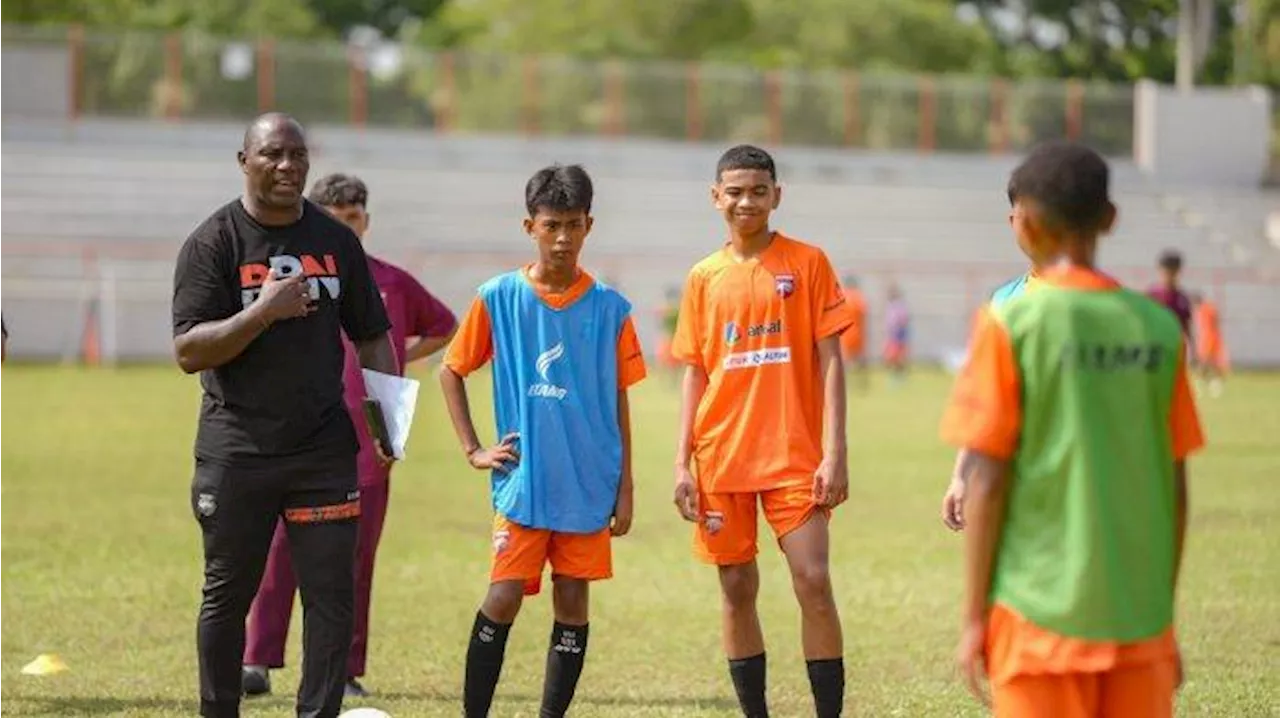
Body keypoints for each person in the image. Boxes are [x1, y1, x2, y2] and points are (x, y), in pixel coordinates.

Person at [941, 140, 1204, 718]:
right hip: (1139, 621)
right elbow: (1177, 487)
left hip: (1035, 621)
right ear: (1110, 219)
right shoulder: (1159, 329)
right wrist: (1163, 612)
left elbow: (985, 480)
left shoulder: (1009, 324)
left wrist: (972, 619)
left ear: (1025, 222)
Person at [171, 112, 399, 718]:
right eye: (272, 154)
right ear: (244, 160)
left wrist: (386, 417)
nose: (287, 166)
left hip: (322, 449)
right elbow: (189, 350)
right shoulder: (213, 242)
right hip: (237, 448)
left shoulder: (335, 242)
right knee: (227, 594)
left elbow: (374, 335)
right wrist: (262, 311)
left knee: (330, 597)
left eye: (297, 155)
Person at [438, 164, 647, 718]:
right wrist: (474, 449)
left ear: (589, 225)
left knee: (573, 599)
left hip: (589, 483)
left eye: (572, 225)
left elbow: (620, 399)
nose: (561, 238)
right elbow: (450, 370)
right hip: (525, 482)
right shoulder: (498, 297)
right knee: (503, 595)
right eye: (551, 224)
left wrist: (625, 486)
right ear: (529, 225)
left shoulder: (611, 310)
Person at [242, 173, 459, 699]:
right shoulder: (290, 280)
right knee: (278, 550)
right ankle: (257, 660)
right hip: (296, 433)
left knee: (355, 557)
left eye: (354, 217)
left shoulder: (392, 282)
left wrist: (394, 362)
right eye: (334, 219)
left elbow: (445, 323)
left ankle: (344, 670)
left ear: (366, 220)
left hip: (368, 439)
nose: (346, 227)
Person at [670, 144, 854, 718]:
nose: (745, 201)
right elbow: (695, 372)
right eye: (734, 191)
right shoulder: (703, 277)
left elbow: (831, 360)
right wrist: (681, 463)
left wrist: (835, 451)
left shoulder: (808, 262)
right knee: (736, 588)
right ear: (715, 197)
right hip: (721, 457)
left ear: (777, 195)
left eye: (757, 190)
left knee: (813, 580)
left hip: (795, 456)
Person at [1147, 249, 1194, 339]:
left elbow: (1186, 326)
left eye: (1173, 272)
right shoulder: (1152, 295)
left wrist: (1193, 347)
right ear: (1159, 270)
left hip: (1175, 344)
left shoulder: (1182, 298)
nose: (1169, 276)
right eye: (1166, 272)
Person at [1192, 292, 1227, 397]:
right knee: (1211, 365)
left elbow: (1209, 326)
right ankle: (1212, 385)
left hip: (1208, 341)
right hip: (1211, 339)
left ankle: (1204, 386)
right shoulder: (1209, 308)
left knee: (1205, 364)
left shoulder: (1203, 310)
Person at [837, 275, 868, 391]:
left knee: (845, 360)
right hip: (858, 332)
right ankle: (862, 384)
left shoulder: (843, 296)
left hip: (846, 333)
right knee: (860, 359)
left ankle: (845, 385)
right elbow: (864, 314)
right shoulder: (859, 298)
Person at [882, 283, 910, 383]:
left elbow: (903, 320)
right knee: (891, 357)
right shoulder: (890, 305)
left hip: (898, 335)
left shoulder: (899, 305)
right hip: (892, 335)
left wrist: (897, 332)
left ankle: (900, 377)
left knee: (898, 357)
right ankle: (895, 376)